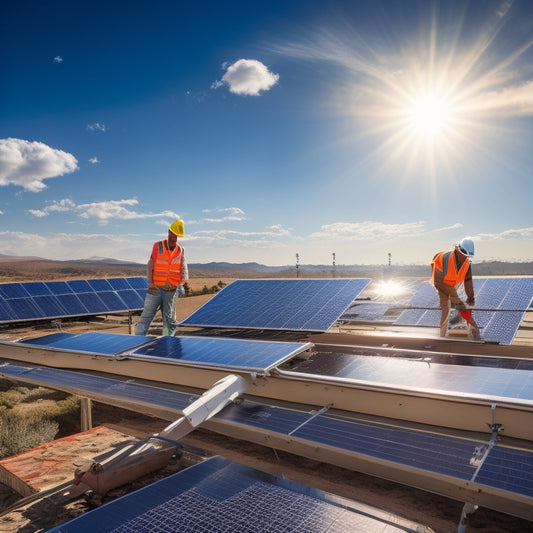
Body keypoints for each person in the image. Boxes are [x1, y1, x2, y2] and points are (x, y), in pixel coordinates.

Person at [135, 219, 190, 336]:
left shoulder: (180, 250)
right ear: (168, 232)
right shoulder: (158, 246)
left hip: (171, 291)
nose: (173, 237)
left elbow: (184, 269)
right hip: (156, 289)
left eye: (176, 235)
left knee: (169, 321)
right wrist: (152, 283)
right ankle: (136, 342)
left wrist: (183, 283)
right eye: (172, 233)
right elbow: (150, 264)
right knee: (145, 318)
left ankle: (167, 346)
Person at [430, 237, 480, 339]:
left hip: (453, 283)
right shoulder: (446, 258)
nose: (465, 258)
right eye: (463, 255)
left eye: (467, 256)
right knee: (446, 307)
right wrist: (455, 299)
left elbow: (468, 281)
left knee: (459, 304)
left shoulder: (466, 263)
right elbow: (439, 282)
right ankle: (442, 336)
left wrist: (471, 298)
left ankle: (467, 329)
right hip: (440, 281)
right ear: (458, 250)